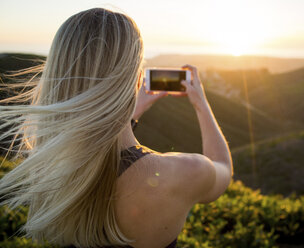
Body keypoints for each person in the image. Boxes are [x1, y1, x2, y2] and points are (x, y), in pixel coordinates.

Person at [0, 8, 233, 248]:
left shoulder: (52, 167)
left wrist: (127, 114)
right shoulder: (183, 172)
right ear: (137, 79)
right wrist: (201, 104)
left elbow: (103, 152)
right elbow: (223, 169)